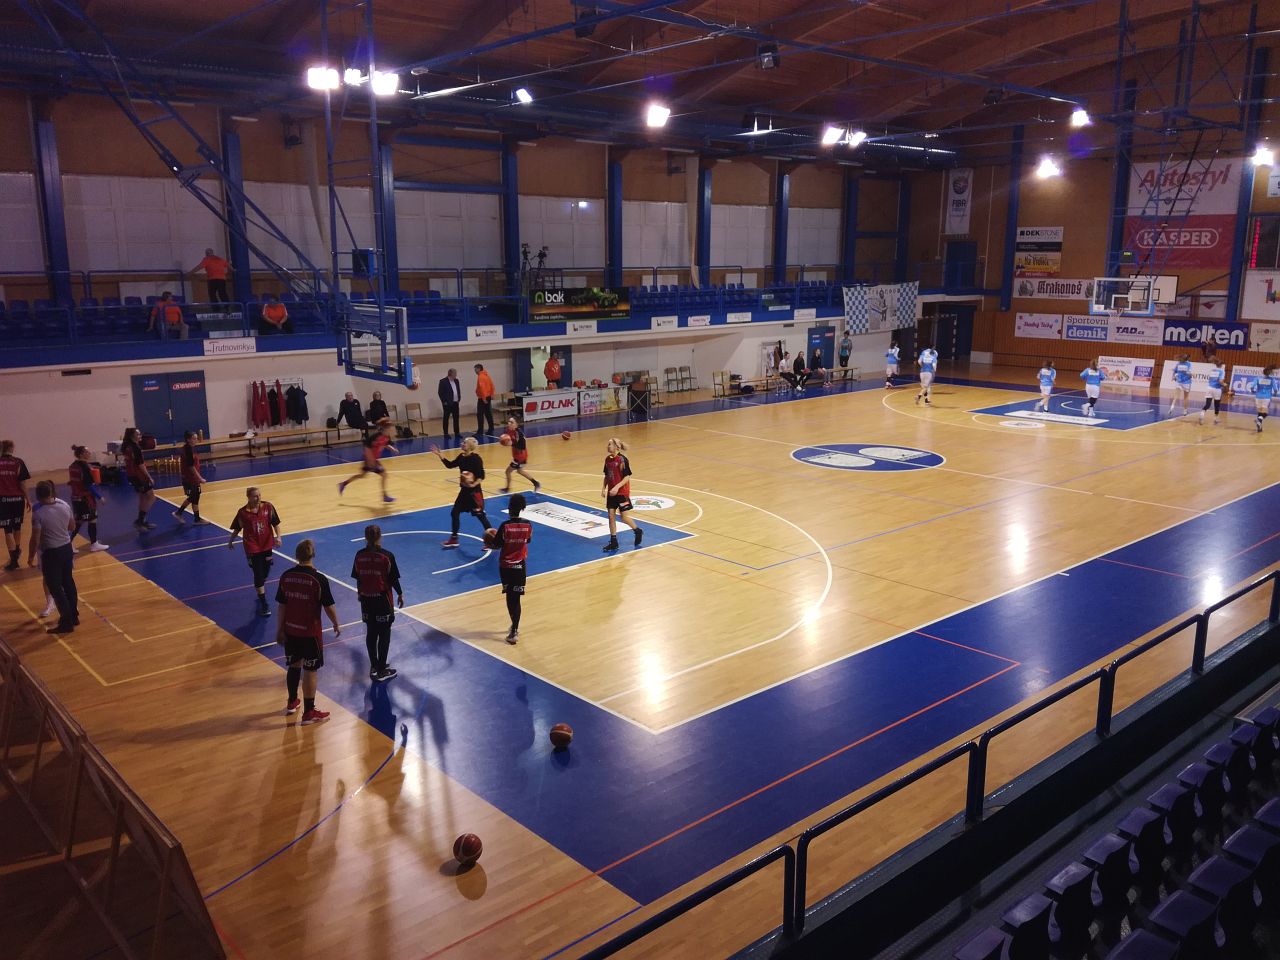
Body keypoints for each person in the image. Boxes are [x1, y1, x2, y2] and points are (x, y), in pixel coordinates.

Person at [275, 538, 339, 725]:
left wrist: (280, 629)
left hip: (291, 630)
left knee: (294, 665)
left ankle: (291, 701)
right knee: (310, 670)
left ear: (296, 556)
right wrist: (336, 623)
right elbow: (328, 606)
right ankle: (309, 712)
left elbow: (282, 606)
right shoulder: (319, 580)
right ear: (313, 555)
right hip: (310, 633)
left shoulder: (286, 576)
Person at [351, 524, 403, 682]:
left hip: (366, 600)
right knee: (384, 633)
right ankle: (381, 670)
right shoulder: (387, 556)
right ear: (380, 536)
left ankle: (374, 665)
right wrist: (400, 593)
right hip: (382, 600)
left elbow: (358, 577)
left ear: (365, 537)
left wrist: (360, 592)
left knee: (371, 632)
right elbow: (393, 579)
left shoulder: (359, 555)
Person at [27, 480, 77, 634]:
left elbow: (35, 538)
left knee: (55, 587)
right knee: (68, 582)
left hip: (51, 553)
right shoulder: (64, 505)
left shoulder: (38, 512)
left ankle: (66, 622)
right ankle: (74, 616)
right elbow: (72, 526)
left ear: (38, 495)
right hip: (67, 549)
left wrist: (31, 556)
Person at [228, 486, 282, 617]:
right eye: (255, 496)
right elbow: (237, 528)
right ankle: (264, 603)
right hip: (252, 547)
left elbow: (276, 523)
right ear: (248, 497)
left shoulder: (268, 507)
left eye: (259, 495)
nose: (258, 498)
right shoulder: (242, 513)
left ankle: (260, 585)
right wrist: (231, 541)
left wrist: (278, 537)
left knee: (265, 573)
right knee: (258, 574)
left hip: (267, 545)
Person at [433, 436, 491, 548]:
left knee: (481, 516)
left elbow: (481, 476)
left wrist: (473, 484)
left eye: (464, 443)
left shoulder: (476, 459)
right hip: (464, 492)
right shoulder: (461, 457)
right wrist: (440, 455)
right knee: (454, 512)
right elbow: (450, 465)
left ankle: (492, 540)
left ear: (470, 446)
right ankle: (454, 539)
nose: (462, 444)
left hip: (474, 493)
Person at [493, 492, 533, 644]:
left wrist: (489, 539)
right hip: (520, 566)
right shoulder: (528, 525)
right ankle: (515, 628)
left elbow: (496, 545)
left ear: (509, 508)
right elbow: (528, 540)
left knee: (510, 598)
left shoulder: (505, 526)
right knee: (516, 599)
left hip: (506, 566)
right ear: (522, 508)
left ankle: (514, 630)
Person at [338, 420, 397, 503]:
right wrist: (370, 460)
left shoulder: (386, 437)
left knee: (362, 475)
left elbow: (385, 444)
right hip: (370, 460)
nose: (393, 431)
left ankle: (343, 484)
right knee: (384, 475)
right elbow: (366, 446)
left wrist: (392, 449)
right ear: (387, 429)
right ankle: (384, 496)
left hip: (373, 460)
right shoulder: (377, 436)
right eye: (392, 429)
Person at [601, 438, 642, 554]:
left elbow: (627, 477)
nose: (608, 446)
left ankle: (637, 530)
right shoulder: (607, 460)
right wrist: (603, 488)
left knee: (624, 517)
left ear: (617, 447)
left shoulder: (622, 459)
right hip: (611, 493)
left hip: (622, 493)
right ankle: (614, 542)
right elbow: (607, 476)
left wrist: (616, 487)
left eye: (610, 444)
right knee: (611, 516)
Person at [68, 445, 109, 551]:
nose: (89, 453)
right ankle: (94, 544)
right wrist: (99, 497)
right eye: (87, 452)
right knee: (92, 519)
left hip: (75, 497)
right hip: (85, 498)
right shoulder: (85, 467)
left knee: (79, 520)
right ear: (82, 454)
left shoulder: (72, 466)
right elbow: (88, 485)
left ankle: (68, 543)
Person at [0, 439, 31, 571]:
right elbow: (22, 484)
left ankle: (14, 561)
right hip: (18, 499)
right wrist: (28, 499)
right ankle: (17, 551)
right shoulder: (18, 462)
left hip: (3, 500)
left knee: (8, 530)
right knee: (17, 527)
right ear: (12, 448)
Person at [121, 428, 156, 530]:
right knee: (151, 497)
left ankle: (142, 521)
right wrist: (149, 477)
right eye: (138, 434)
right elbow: (140, 464)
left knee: (143, 497)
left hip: (131, 475)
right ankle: (140, 521)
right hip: (139, 476)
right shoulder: (135, 448)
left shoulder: (127, 446)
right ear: (132, 436)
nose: (140, 436)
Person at [174, 431, 210, 524]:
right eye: (194, 438)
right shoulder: (187, 450)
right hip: (190, 478)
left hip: (192, 478)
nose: (196, 440)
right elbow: (191, 466)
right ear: (188, 439)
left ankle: (194, 518)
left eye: (196, 438)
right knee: (194, 497)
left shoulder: (189, 448)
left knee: (194, 497)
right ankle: (180, 513)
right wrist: (200, 478)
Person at [499, 417, 541, 494]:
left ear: (516, 424)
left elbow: (523, 446)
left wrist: (512, 444)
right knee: (520, 471)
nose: (509, 423)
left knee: (508, 471)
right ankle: (536, 483)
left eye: (512, 422)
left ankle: (507, 489)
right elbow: (507, 439)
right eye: (509, 421)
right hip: (516, 455)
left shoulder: (519, 433)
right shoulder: (508, 430)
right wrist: (503, 440)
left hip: (520, 456)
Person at [1199, 355, 1226, 426]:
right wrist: (1224, 384)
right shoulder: (1222, 371)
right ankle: (1215, 418)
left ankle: (1202, 413)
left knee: (1208, 404)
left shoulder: (1212, 370)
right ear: (1221, 365)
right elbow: (1220, 381)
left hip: (1209, 388)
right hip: (1217, 389)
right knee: (1217, 404)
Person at [438, 368, 462, 442]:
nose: (456, 375)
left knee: (456, 418)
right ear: (450, 373)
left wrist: (459, 398)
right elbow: (440, 392)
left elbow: (458, 390)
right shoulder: (443, 381)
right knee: (446, 418)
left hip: (455, 402)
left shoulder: (456, 381)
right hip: (447, 403)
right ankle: (446, 433)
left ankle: (457, 433)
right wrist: (444, 401)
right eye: (455, 373)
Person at [475, 363, 496, 435]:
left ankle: (480, 431)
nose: (475, 371)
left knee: (480, 414)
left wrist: (483, 398)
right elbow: (492, 385)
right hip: (488, 396)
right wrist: (492, 394)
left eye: (475, 369)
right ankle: (491, 428)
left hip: (483, 398)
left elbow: (482, 388)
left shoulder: (480, 376)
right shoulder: (487, 375)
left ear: (478, 369)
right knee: (488, 413)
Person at [1255, 366, 1275, 433]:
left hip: (1258, 397)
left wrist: (1252, 390)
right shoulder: (1272, 379)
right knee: (1265, 413)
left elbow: (1252, 386)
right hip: (1266, 397)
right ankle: (1259, 420)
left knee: (1260, 413)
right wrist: (1275, 393)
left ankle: (1259, 428)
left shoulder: (1258, 378)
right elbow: (1275, 389)